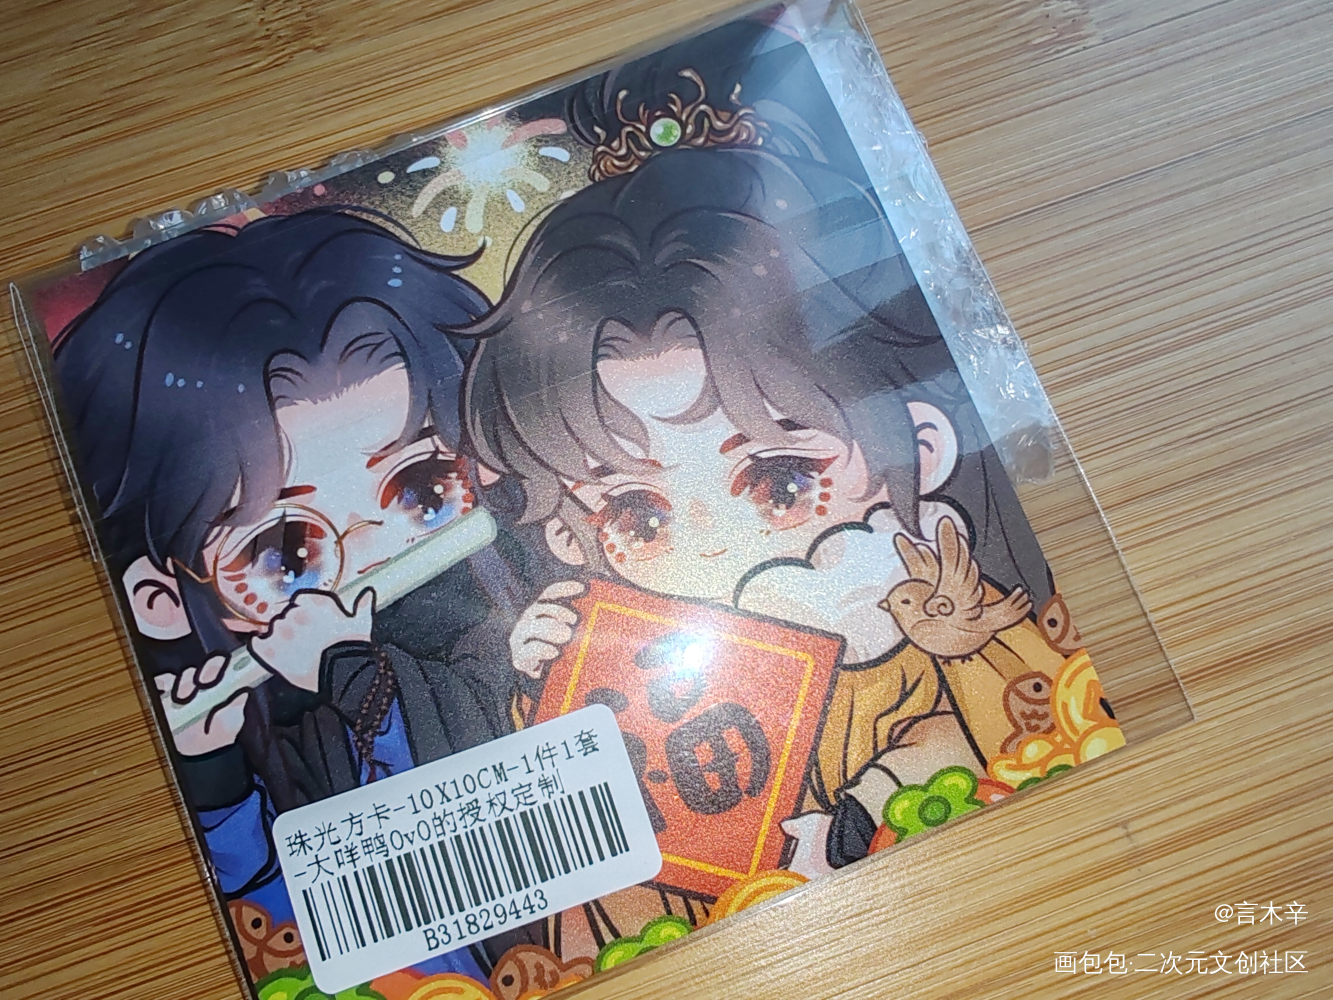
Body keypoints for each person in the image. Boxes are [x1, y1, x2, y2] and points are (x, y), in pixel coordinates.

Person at [457, 21, 1079, 919]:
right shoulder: (634, 668)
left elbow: (1010, 731)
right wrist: (552, 694)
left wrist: (871, 801)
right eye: (638, 515)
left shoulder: (929, 622)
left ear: (921, 447)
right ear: (567, 532)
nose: (714, 548)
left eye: (780, 482)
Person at [53, 208, 554, 980]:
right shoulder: (262, 709)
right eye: (284, 552)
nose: (375, 555)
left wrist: (355, 673)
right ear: (161, 597)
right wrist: (213, 775)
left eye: (421, 489)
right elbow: (280, 923)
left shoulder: (519, 620)